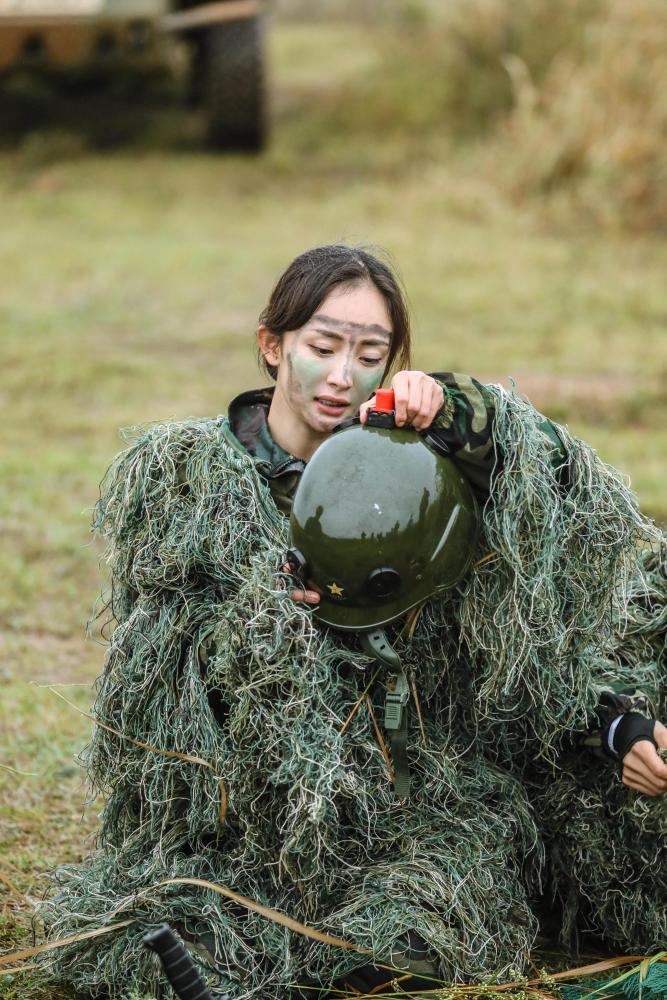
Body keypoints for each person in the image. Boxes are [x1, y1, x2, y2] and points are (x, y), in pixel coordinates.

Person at [42, 244, 667, 999]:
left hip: (414, 806)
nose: (342, 376)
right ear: (273, 346)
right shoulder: (193, 479)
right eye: (323, 346)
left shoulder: (421, 482)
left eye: (370, 354)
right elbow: (163, 686)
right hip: (249, 821)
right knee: (192, 933)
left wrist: (459, 407)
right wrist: (258, 622)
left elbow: (540, 562)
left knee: (416, 942)